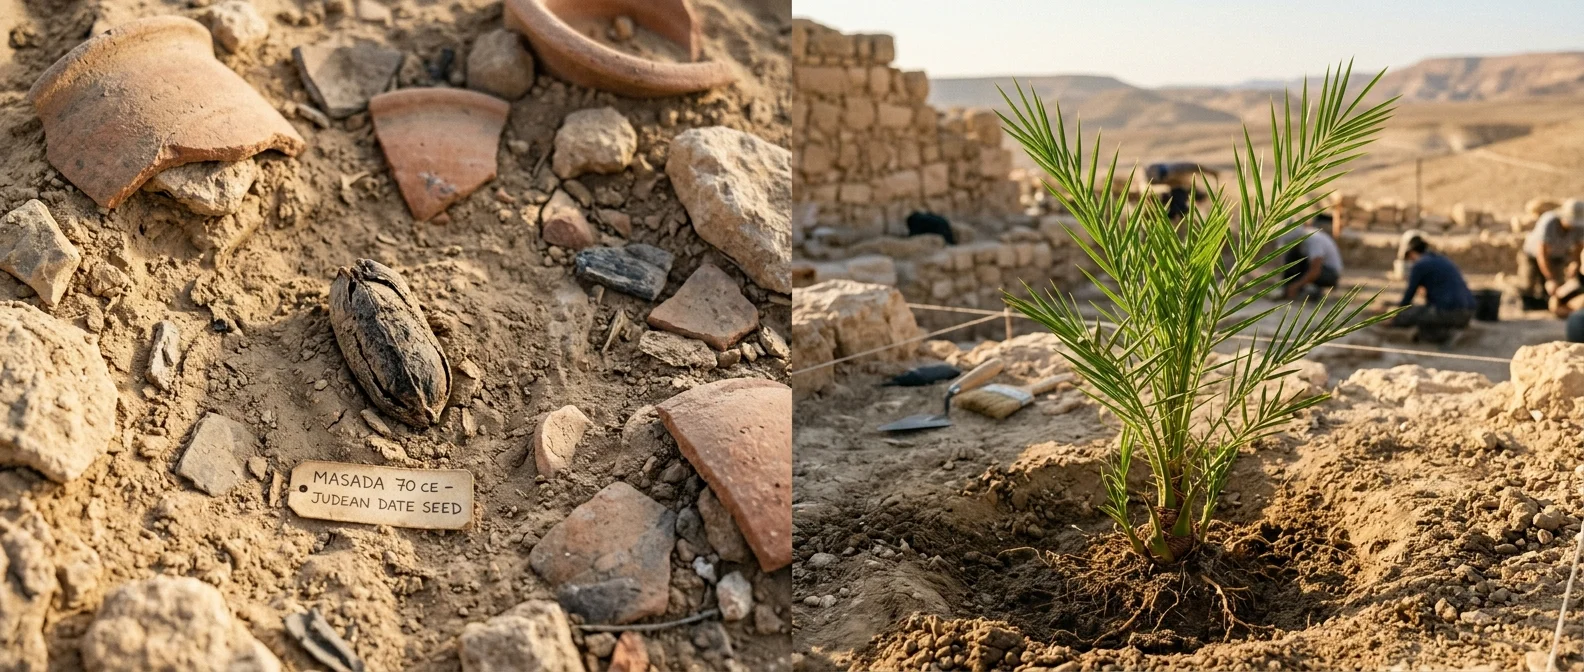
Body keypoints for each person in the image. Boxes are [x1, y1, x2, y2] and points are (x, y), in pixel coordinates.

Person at [1390, 232, 1475, 344]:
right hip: (1468, 312)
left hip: (1450, 313)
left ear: (1410, 253)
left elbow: (1408, 297)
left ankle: (1445, 334)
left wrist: (1394, 315)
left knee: (1409, 316)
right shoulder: (1440, 259)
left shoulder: (1420, 265)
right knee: (1425, 313)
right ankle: (1451, 330)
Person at [1517, 198, 1584, 310]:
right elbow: (1541, 253)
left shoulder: (1580, 226)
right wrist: (1550, 278)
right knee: (1528, 286)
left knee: (1557, 289)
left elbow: (1578, 247)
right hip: (1532, 255)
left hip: (1557, 256)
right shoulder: (1549, 221)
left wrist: (1575, 263)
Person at [1279, 214, 1343, 299]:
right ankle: (1287, 289)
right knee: (1292, 257)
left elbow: (1315, 270)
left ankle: (1311, 291)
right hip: (1318, 269)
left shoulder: (1314, 239)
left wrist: (1295, 286)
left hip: (1330, 274)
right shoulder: (1302, 241)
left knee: (1296, 260)